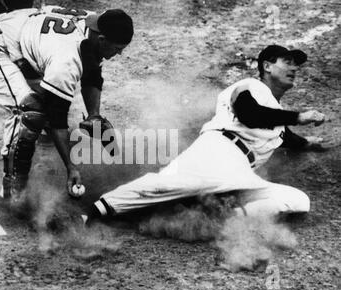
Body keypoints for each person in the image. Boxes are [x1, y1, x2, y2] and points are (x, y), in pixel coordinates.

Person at [82, 45, 327, 224]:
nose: (294, 67)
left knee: (297, 200)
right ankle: (92, 213)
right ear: (267, 66)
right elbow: (250, 114)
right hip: (217, 153)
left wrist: (308, 143)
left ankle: (225, 223)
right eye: (287, 61)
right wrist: (299, 116)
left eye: (296, 63)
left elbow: (284, 134)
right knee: (162, 186)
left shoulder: (277, 113)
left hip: (239, 170)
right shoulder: (250, 87)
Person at [0, 5, 133, 202]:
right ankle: (12, 189)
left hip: (22, 37)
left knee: (49, 107)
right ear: (102, 39)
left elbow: (92, 71)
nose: (120, 54)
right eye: (117, 49)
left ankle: (43, 166)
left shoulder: (92, 26)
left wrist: (94, 115)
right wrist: (71, 167)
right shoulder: (66, 60)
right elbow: (57, 118)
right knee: (32, 112)